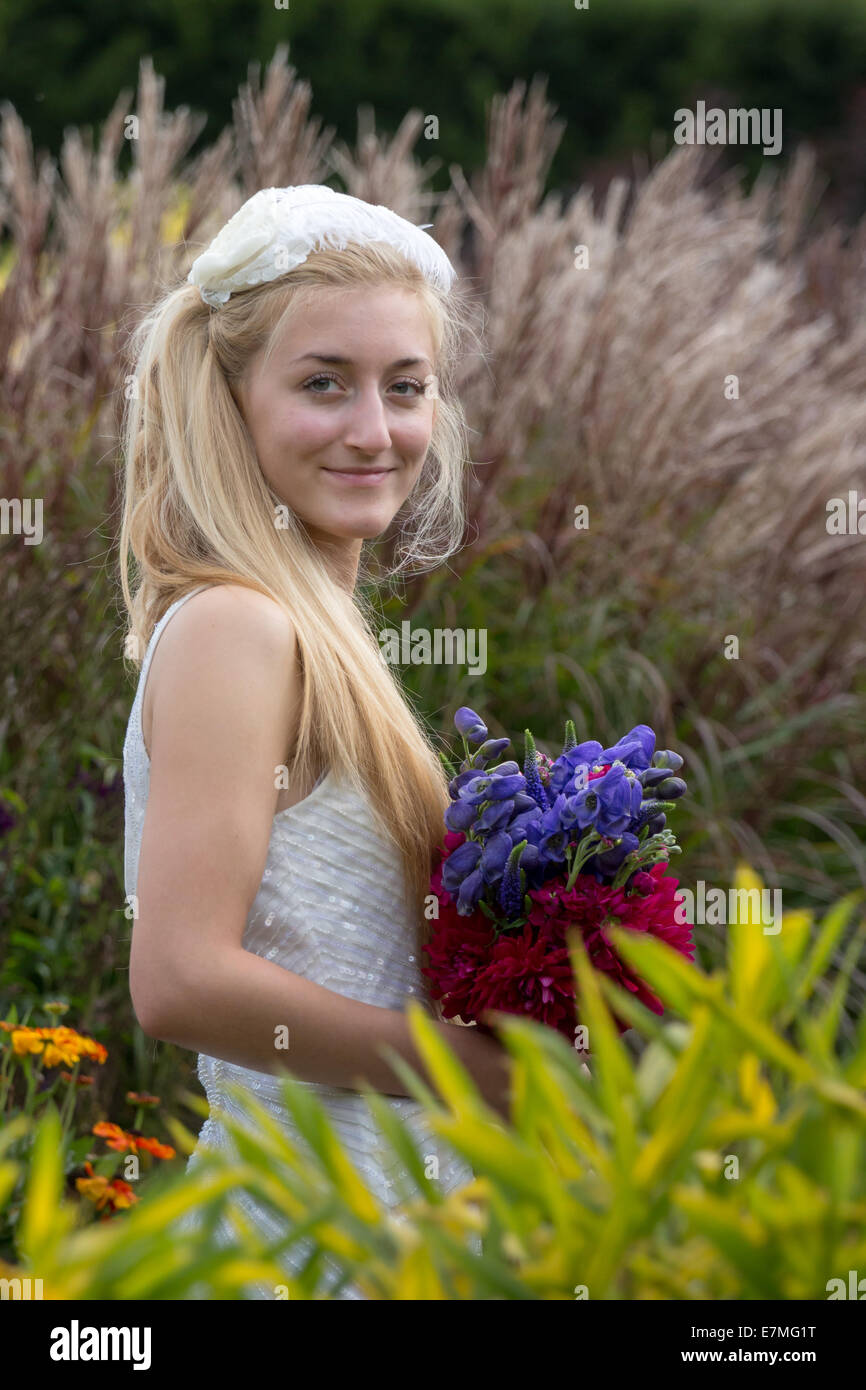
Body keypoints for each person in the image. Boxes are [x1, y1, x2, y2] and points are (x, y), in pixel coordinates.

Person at [118, 185, 510, 1299]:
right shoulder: (239, 626)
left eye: (406, 388)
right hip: (303, 1236)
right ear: (231, 394)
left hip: (393, 1224)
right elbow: (181, 978)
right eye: (322, 384)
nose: (372, 431)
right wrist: (469, 1070)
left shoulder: (304, 627)